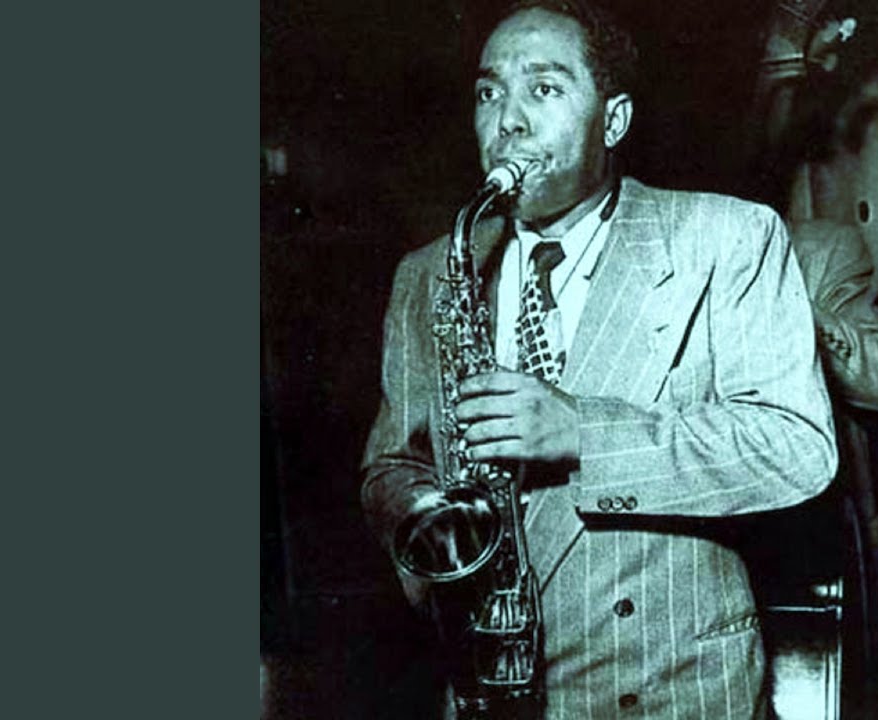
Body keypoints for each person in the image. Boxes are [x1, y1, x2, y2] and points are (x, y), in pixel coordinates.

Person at [359, 1, 839, 718]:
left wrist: (582, 433)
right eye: (490, 93)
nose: (508, 120)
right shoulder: (427, 273)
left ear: (613, 121)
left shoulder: (726, 237)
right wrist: (429, 519)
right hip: (492, 681)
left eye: (544, 88)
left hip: (668, 691)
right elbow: (393, 461)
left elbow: (796, 448)